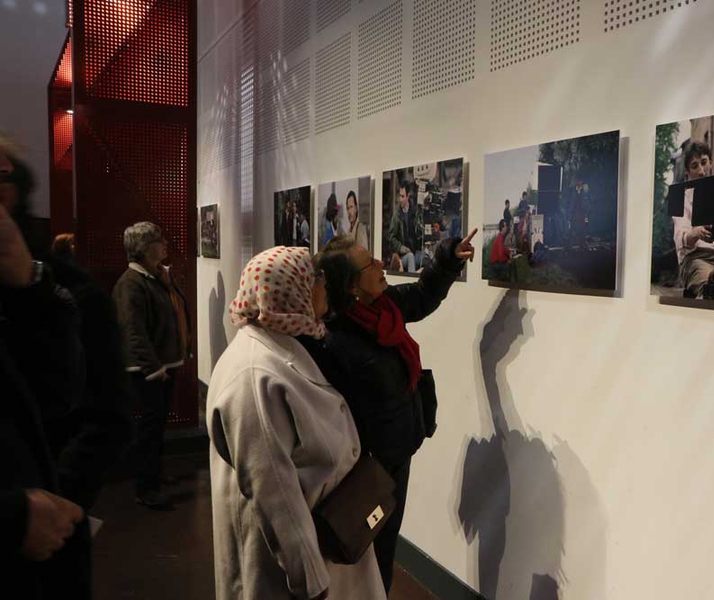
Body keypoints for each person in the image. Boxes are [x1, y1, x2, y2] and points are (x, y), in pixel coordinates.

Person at [207, 246, 385, 600]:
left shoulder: (281, 344)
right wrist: (311, 581)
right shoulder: (253, 373)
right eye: (314, 278)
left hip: (328, 534)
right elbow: (273, 490)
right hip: (297, 566)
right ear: (288, 288)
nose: (322, 285)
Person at [315, 228, 478, 593]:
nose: (379, 264)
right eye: (369, 263)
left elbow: (423, 295)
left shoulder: (385, 308)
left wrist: (448, 257)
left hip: (398, 456)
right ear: (352, 287)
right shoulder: (336, 341)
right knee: (359, 556)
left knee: (384, 550)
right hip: (364, 471)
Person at [1, 142, 87, 598]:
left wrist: (28, 288)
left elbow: (59, 395)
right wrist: (11, 518)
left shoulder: (31, 285)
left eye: (5, 181)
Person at [113, 222, 188, 510]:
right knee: (149, 427)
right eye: (159, 240)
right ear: (143, 249)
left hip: (162, 366)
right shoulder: (131, 284)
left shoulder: (153, 278)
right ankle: (145, 487)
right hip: (149, 371)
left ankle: (154, 474)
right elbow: (133, 332)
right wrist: (154, 369)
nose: (165, 244)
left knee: (156, 426)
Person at [672, 141, 714, 298]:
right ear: (687, 173)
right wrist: (696, 233)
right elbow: (680, 239)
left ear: (711, 163)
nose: (701, 171)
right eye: (694, 166)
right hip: (696, 258)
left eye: (704, 163)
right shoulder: (680, 198)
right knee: (710, 290)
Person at [386, 181, 424, 273]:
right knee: (410, 256)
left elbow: (420, 232)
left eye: (403, 196)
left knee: (428, 257)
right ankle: (412, 283)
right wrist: (401, 248)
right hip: (402, 257)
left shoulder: (415, 212)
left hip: (415, 252)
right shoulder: (397, 216)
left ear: (408, 196)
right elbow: (390, 237)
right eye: (400, 196)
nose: (400, 199)